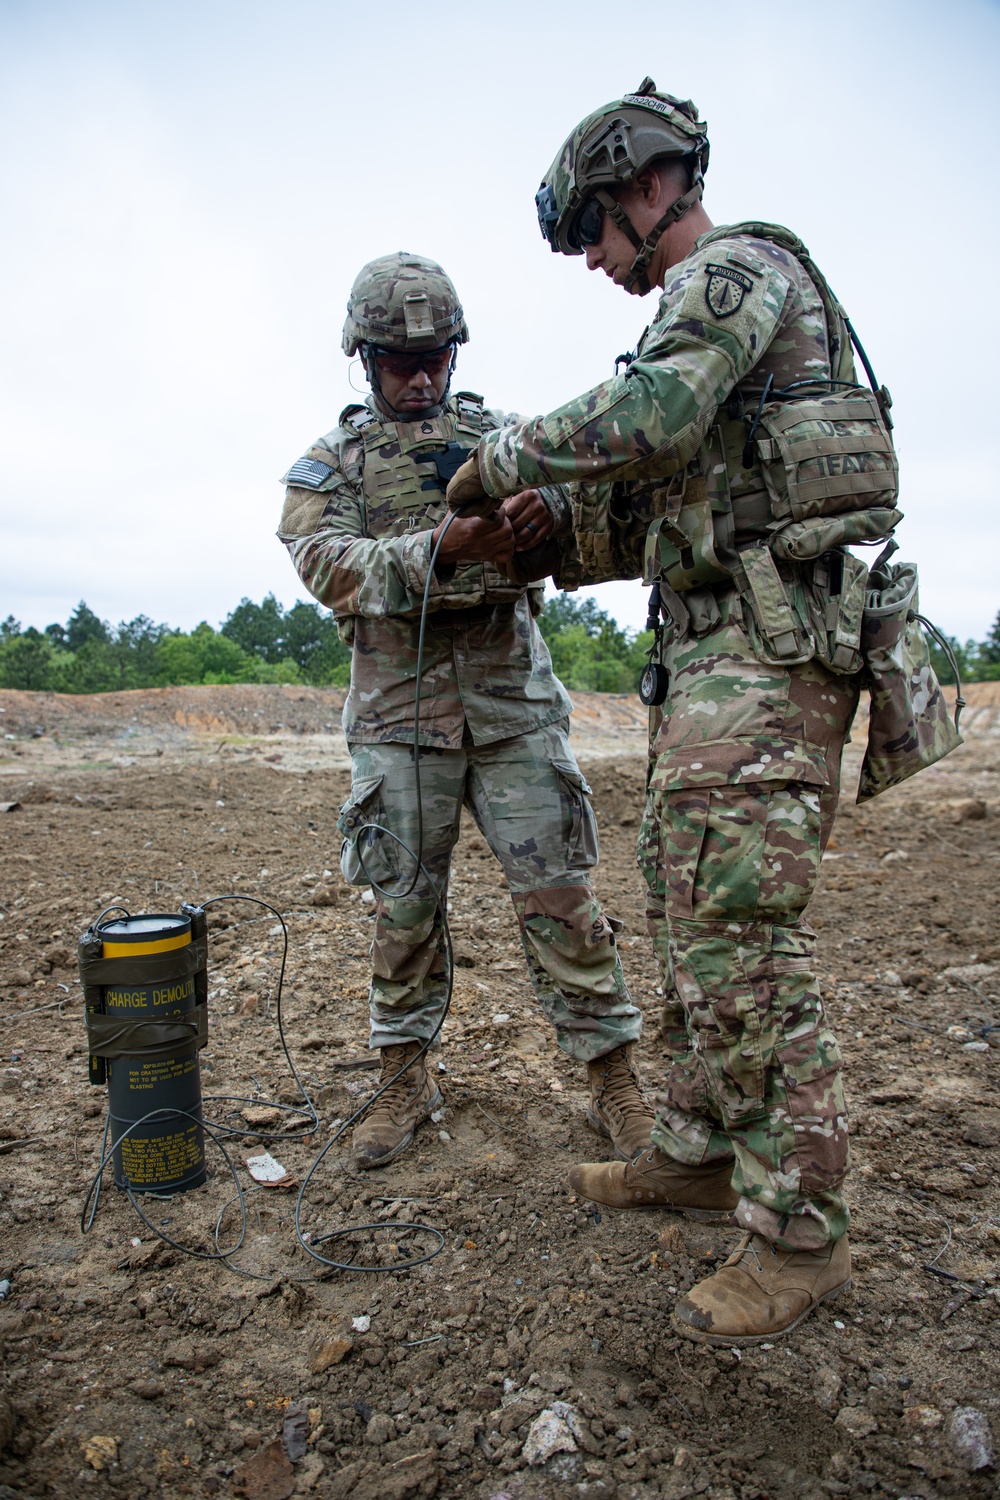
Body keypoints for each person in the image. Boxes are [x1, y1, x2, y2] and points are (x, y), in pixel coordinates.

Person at [446, 81, 903, 1344]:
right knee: (682, 906)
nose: (594, 262)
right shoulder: (702, 322)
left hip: (762, 669)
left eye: (594, 231)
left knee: (738, 941)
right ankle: (699, 1152)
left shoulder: (731, 275)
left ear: (647, 187)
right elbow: (673, 502)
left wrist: (505, 460)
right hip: (715, 664)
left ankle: (799, 1233)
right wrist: (546, 536)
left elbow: (648, 418)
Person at [277, 252, 657, 1173]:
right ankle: (404, 1076)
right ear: (362, 359)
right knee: (404, 908)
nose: (420, 375)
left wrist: (544, 525)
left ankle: (615, 1080)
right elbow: (322, 561)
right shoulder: (332, 463)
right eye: (399, 359)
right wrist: (440, 548)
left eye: (435, 356)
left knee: (563, 900)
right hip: (401, 719)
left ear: (457, 352)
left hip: (513, 709)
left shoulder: (510, 441)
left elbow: (589, 520)